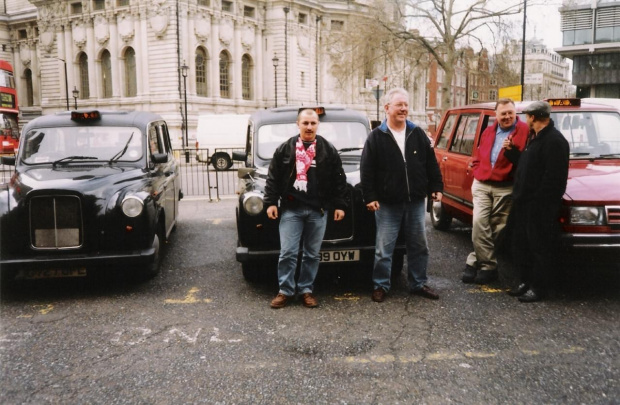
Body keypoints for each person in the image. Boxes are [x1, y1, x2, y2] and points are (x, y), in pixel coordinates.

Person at [360, 88, 444, 303]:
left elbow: (430, 163)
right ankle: (381, 285)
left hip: (415, 200)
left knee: (419, 245)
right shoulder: (376, 137)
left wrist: (436, 186)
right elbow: (367, 170)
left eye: (406, 105)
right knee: (384, 248)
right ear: (387, 108)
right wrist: (370, 197)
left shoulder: (417, 133)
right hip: (388, 203)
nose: (404, 109)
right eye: (399, 105)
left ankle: (418, 283)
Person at [264, 108, 348, 309]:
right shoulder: (285, 149)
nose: (309, 127)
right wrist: (270, 203)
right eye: (305, 123)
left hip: (318, 211)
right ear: (298, 124)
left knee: (312, 254)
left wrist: (340, 205)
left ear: (318, 125)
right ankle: (285, 291)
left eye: (313, 123)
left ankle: (306, 290)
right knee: (288, 253)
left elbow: (339, 179)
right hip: (291, 210)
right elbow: (273, 177)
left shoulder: (328, 149)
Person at [504, 100, 569, 303]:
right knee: (521, 245)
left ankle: (539, 288)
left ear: (533, 117)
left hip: (538, 206)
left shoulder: (555, 141)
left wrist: (538, 204)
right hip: (524, 203)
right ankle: (525, 282)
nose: (525, 120)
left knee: (538, 247)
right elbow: (529, 166)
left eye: (527, 116)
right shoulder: (537, 138)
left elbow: (554, 180)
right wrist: (512, 152)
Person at [462, 98, 529, 285]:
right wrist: (476, 168)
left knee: (497, 228)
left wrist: (512, 150)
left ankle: (474, 262)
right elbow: (478, 154)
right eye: (503, 113)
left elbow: (524, 160)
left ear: (515, 113)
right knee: (479, 223)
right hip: (483, 183)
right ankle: (489, 266)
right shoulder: (488, 131)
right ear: (496, 115)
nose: (507, 117)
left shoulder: (523, 131)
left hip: (505, 185)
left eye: (510, 113)